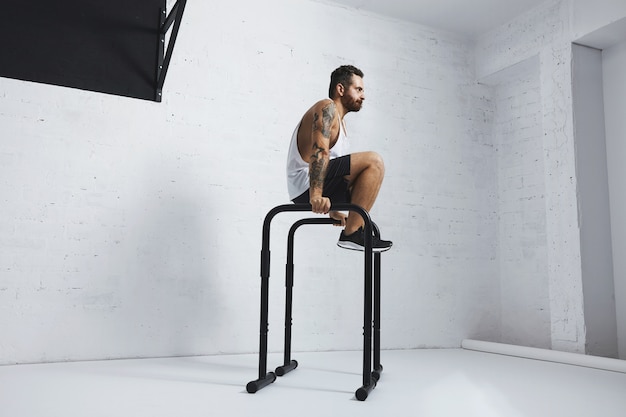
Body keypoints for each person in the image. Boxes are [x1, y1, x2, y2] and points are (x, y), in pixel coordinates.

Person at [286, 65, 392, 252]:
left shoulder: (341, 124)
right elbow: (320, 152)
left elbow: (337, 170)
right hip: (305, 185)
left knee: (368, 178)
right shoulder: (327, 108)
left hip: (313, 185)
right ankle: (351, 234)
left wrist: (333, 210)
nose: (363, 96)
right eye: (358, 89)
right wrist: (316, 196)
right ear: (341, 89)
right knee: (374, 162)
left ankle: (356, 228)